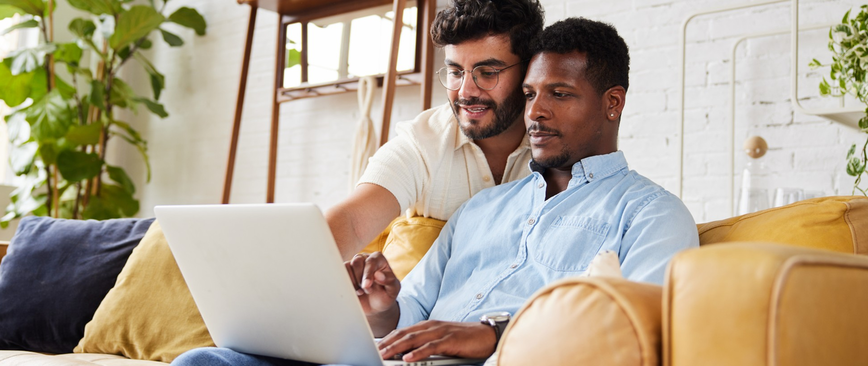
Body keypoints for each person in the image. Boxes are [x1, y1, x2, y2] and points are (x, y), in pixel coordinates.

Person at [171, 18, 699, 366]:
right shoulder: (482, 209)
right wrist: (382, 307)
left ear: (612, 104)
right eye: (533, 94)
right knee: (202, 362)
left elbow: (644, 331)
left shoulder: (651, 213)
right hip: (394, 362)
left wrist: (497, 333)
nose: (537, 112)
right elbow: (410, 311)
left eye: (560, 95)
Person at [326, 0, 543, 259]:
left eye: (487, 72)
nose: (465, 92)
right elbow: (352, 221)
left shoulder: (557, 142)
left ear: (530, 71)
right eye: (455, 72)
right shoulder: (421, 143)